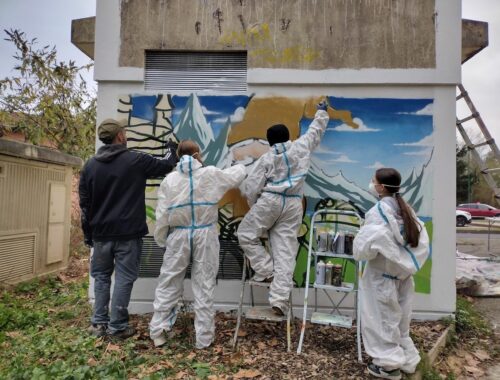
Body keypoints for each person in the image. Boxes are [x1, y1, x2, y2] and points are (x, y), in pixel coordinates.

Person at [79, 118, 178, 339]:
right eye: (124, 132)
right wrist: (172, 149)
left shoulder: (90, 166)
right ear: (121, 136)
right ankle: (118, 328)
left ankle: (98, 325)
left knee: (102, 278)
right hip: (128, 234)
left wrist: (88, 236)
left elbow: (84, 205)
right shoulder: (135, 161)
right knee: (124, 278)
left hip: (101, 235)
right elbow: (166, 164)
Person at [150, 140, 246, 349]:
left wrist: (161, 239)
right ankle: (203, 339)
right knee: (204, 284)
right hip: (205, 234)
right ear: (197, 154)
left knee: (168, 282)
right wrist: (240, 162)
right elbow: (236, 175)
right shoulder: (210, 174)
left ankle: (158, 333)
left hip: (179, 236)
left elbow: (162, 215)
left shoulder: (170, 180)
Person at [237, 101, 330, 316]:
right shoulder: (300, 146)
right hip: (293, 203)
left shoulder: (267, 158)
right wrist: (322, 112)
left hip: (270, 200)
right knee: (286, 250)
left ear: (269, 141)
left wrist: (255, 207)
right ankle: (279, 299)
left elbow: (252, 187)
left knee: (246, 233)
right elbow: (315, 132)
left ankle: (266, 269)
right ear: (288, 136)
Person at [353, 168, 430, 380]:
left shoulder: (377, 213)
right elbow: (420, 243)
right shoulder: (406, 210)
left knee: (381, 321)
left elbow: (362, 250)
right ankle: (407, 360)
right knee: (399, 323)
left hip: (382, 278)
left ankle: (388, 367)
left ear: (381, 187)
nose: (371, 183)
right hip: (403, 277)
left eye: (373, 181)